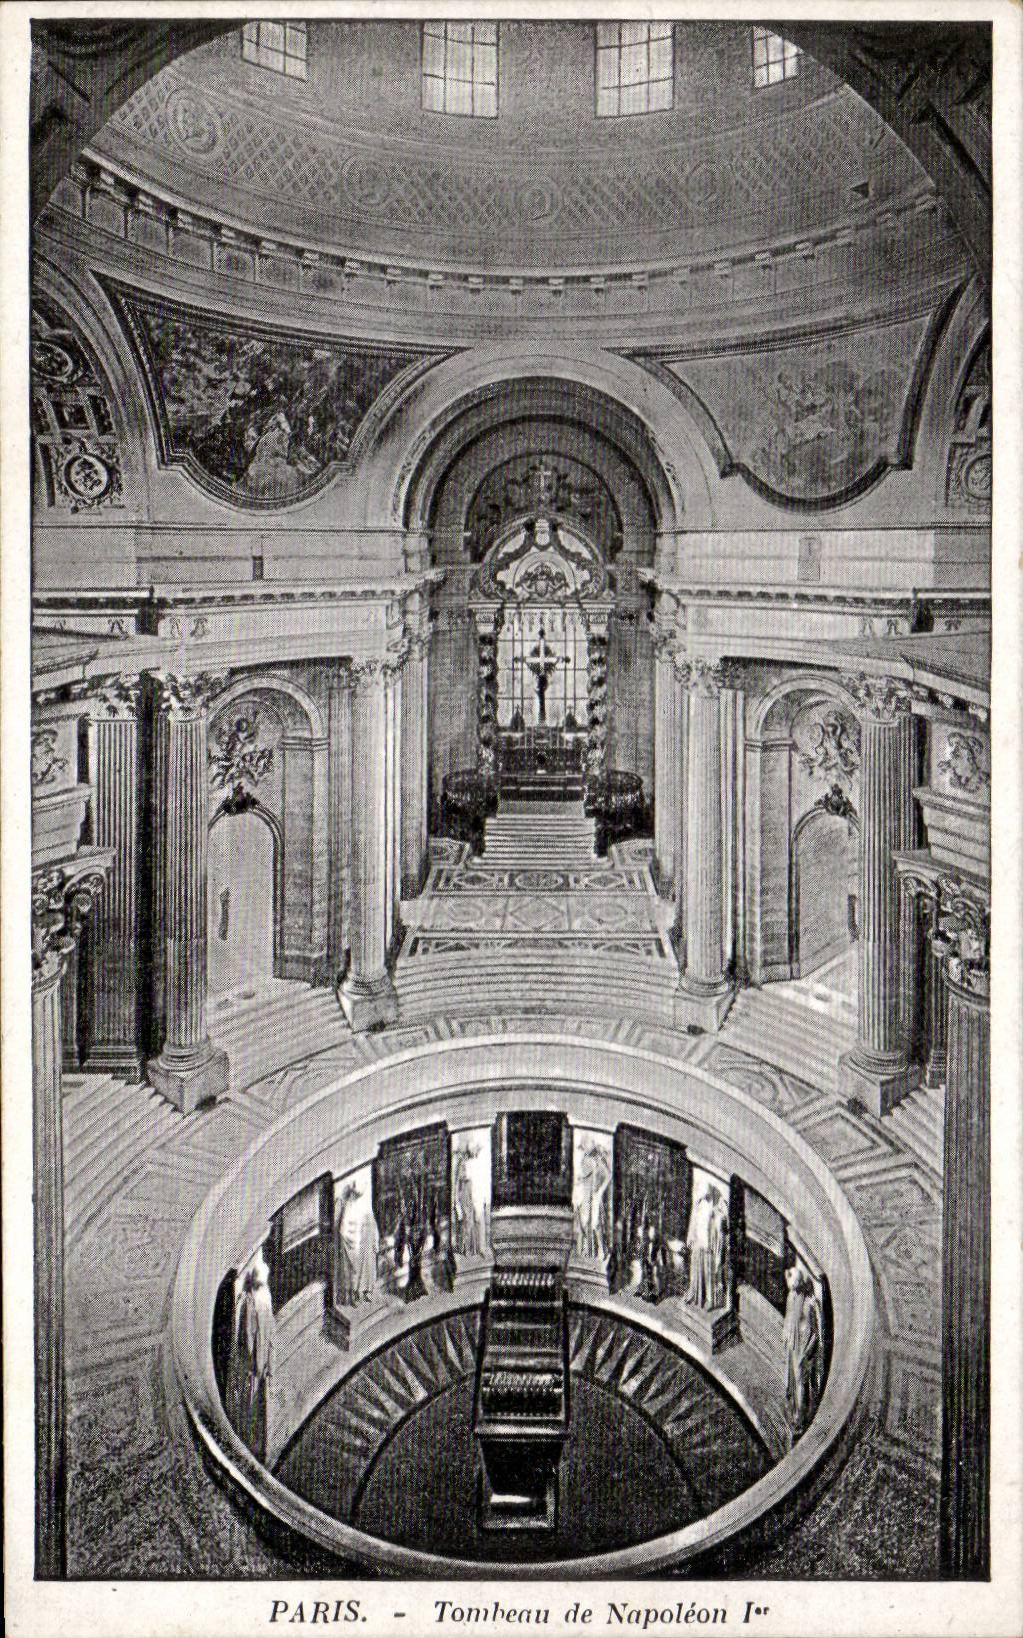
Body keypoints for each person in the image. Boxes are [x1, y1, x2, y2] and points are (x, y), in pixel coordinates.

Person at [232, 1259, 274, 1459]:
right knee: (253, 1403)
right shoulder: (258, 1298)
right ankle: (250, 1442)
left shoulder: (258, 1297)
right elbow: (250, 1335)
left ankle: (254, 1442)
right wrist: (261, 1362)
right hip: (257, 1362)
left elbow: (254, 1334)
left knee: (255, 1403)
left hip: (258, 1361)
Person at [783, 1266, 824, 1437]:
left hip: (803, 1348)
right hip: (794, 1343)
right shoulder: (792, 1297)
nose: (792, 1290)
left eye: (795, 1287)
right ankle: (795, 1411)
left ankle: (799, 1418)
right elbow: (788, 1318)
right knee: (795, 1380)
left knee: (801, 1383)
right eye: (791, 1287)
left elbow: (815, 1334)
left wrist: (806, 1354)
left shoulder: (809, 1305)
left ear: (800, 1286)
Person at [685, 1185, 729, 1310]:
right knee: (697, 1270)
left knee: (712, 1272)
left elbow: (721, 1225)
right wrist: (691, 1237)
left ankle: (711, 1300)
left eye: (708, 1195)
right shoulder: (699, 1205)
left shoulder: (718, 1207)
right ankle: (697, 1295)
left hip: (710, 1245)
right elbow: (694, 1222)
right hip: (700, 1242)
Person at [574, 1142, 611, 1261]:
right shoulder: (585, 1160)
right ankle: (587, 1249)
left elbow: (607, 1176)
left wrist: (600, 1190)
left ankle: (601, 1249)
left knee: (595, 1223)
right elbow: (582, 1178)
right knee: (584, 1222)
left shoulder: (597, 1162)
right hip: (585, 1196)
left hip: (593, 1197)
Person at [453, 1144, 483, 1258]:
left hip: (472, 1194)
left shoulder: (473, 1166)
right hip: (466, 1195)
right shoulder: (464, 1166)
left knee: (474, 1220)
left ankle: (473, 1248)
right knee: (467, 1222)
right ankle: (467, 1249)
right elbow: (460, 1183)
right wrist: (457, 1203)